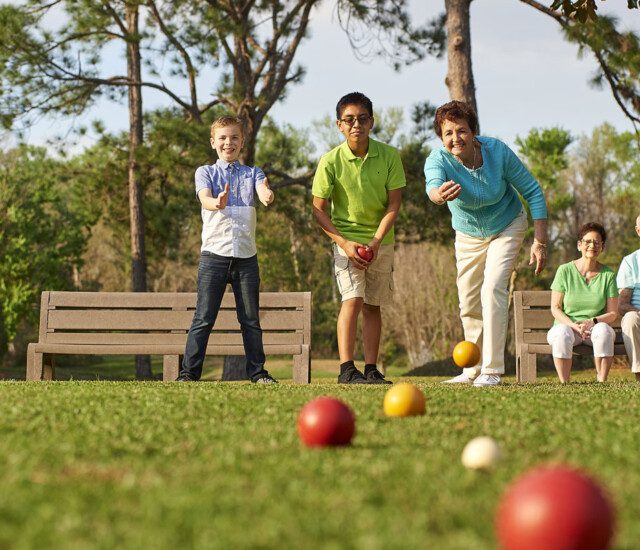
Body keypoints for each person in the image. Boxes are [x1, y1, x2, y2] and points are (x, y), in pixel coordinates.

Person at [424, 100, 548, 387]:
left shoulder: (497, 152)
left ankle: (492, 370)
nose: (456, 138)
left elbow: (533, 191)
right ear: (441, 138)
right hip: (468, 235)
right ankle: (472, 369)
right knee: (467, 299)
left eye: (462, 131)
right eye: (448, 133)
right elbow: (432, 187)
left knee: (493, 288)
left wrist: (540, 241)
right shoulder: (438, 160)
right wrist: (439, 195)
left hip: (507, 224)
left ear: (473, 132)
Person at [312, 92, 406, 384]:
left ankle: (372, 369)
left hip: (381, 241)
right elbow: (318, 210)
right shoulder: (330, 161)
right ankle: (346, 369)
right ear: (339, 125)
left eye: (362, 119)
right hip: (346, 242)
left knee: (373, 305)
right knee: (352, 298)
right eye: (349, 120)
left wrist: (377, 241)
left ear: (372, 122)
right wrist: (344, 243)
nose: (357, 125)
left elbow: (394, 205)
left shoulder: (389, 156)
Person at [177, 115, 277, 383]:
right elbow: (204, 198)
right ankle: (188, 374)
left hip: (246, 259)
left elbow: (262, 187)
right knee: (203, 318)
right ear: (213, 142)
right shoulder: (205, 172)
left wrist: (266, 195)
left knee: (250, 321)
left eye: (234, 137)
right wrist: (215, 202)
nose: (228, 142)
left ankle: (258, 373)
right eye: (222, 138)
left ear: (242, 141)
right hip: (214, 257)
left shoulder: (252, 173)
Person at [547, 223, 619, 383]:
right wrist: (574, 325)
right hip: (568, 327)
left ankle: (602, 381)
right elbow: (555, 308)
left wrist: (591, 321)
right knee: (562, 333)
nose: (592, 245)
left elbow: (613, 313)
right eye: (587, 241)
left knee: (604, 331)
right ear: (579, 245)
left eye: (597, 242)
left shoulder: (608, 275)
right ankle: (564, 383)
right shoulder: (564, 271)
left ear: (603, 247)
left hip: (593, 327)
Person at [617, 214, 640, 382]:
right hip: (638, 313)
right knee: (630, 319)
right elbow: (623, 305)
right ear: (638, 231)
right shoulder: (630, 261)